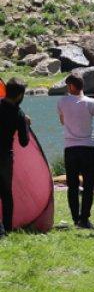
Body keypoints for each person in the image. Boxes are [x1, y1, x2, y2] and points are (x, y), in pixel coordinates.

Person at [57, 72, 94, 230]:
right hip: (87, 148)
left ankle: (75, 219)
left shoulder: (61, 101)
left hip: (70, 148)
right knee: (88, 185)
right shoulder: (91, 103)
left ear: (71, 86)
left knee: (72, 185)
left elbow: (62, 121)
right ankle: (84, 219)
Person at [0, 78, 31, 238]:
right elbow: (24, 143)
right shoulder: (18, 114)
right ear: (19, 95)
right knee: (6, 194)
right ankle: (7, 229)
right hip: (5, 157)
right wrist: (25, 124)